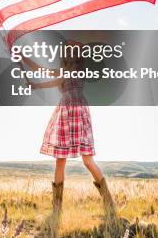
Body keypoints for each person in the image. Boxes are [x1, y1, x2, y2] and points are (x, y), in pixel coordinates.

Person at [23, 40, 117, 218]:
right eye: (67, 51)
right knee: (60, 160)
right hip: (66, 112)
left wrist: (36, 85)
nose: (69, 54)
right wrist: (22, 57)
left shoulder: (77, 69)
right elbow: (41, 70)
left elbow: (56, 80)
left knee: (87, 160)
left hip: (77, 111)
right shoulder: (64, 69)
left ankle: (108, 201)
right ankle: (57, 207)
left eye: (72, 51)